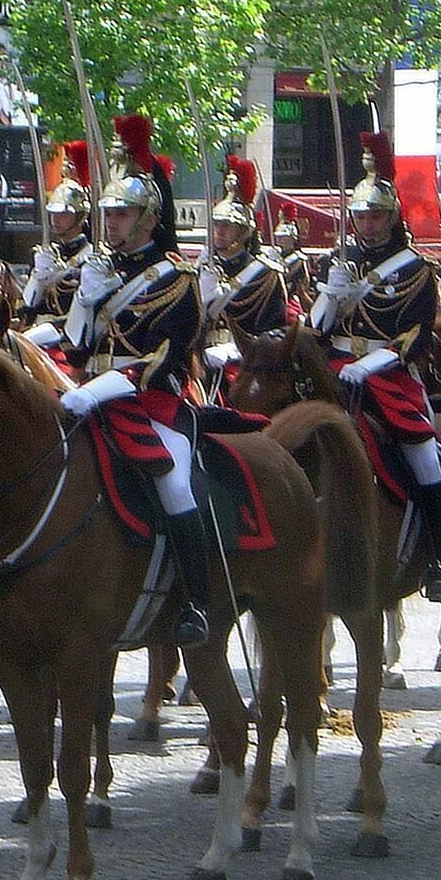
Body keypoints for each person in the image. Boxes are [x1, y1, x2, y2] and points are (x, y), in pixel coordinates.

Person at [60, 113, 210, 648]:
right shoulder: (103, 271)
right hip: (90, 400)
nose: (112, 223)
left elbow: (162, 361)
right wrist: (85, 296)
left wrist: (94, 389)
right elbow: (77, 347)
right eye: (108, 213)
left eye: (122, 214)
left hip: (151, 405)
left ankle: (197, 599)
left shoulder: (177, 278)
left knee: (173, 481)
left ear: (148, 219)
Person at [310, 130, 441, 601]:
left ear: (391, 217)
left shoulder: (415, 268)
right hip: (336, 372)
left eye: (375, 216)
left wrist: (370, 364)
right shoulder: (341, 259)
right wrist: (330, 295)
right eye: (361, 217)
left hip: (390, 378)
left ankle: (440, 557)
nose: (367, 225)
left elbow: (416, 336)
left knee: (424, 456)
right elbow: (317, 329)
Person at [201, 154, 288, 376]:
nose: (219, 231)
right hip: (201, 363)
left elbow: (275, 333)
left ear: (244, 231)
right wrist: (201, 297)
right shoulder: (199, 270)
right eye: (217, 224)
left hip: (245, 367)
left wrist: (233, 350)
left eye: (227, 225)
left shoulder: (265, 276)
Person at [22, 140, 92, 327]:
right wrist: (38, 275)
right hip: (37, 330)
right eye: (53, 213)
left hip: (67, 333)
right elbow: (29, 303)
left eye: (63, 214)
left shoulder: (90, 256)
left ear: (79, 217)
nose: (56, 219)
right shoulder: (46, 253)